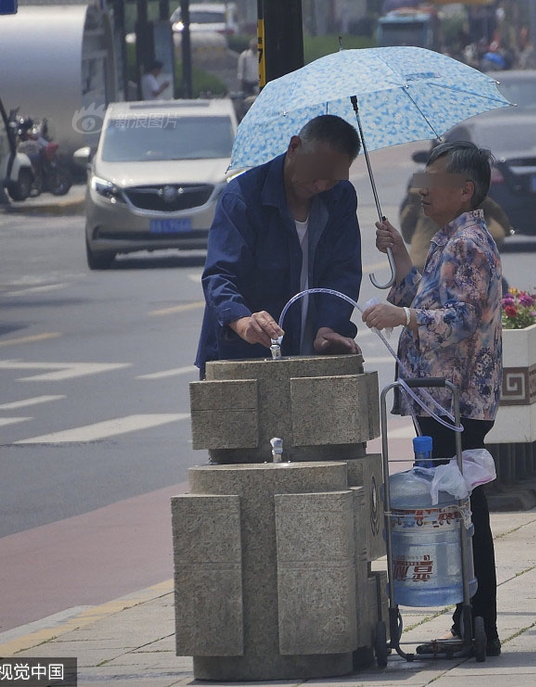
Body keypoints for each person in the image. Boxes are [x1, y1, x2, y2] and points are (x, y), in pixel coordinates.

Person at [362, 141, 504, 657]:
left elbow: (460, 318)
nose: (423, 188)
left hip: (455, 401)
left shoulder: (468, 242)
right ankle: (474, 622)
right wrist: (399, 253)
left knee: (463, 509)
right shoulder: (451, 238)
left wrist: (403, 318)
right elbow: (425, 294)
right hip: (438, 401)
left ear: (465, 190)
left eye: (435, 179)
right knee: (459, 505)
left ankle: (478, 623)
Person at [195, 115, 363, 378]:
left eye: (331, 179)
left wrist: (329, 327)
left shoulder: (341, 196)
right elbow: (220, 275)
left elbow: (343, 271)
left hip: (312, 354)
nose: (320, 185)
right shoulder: (242, 198)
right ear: (294, 147)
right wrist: (242, 322)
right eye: (315, 174)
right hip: (244, 354)